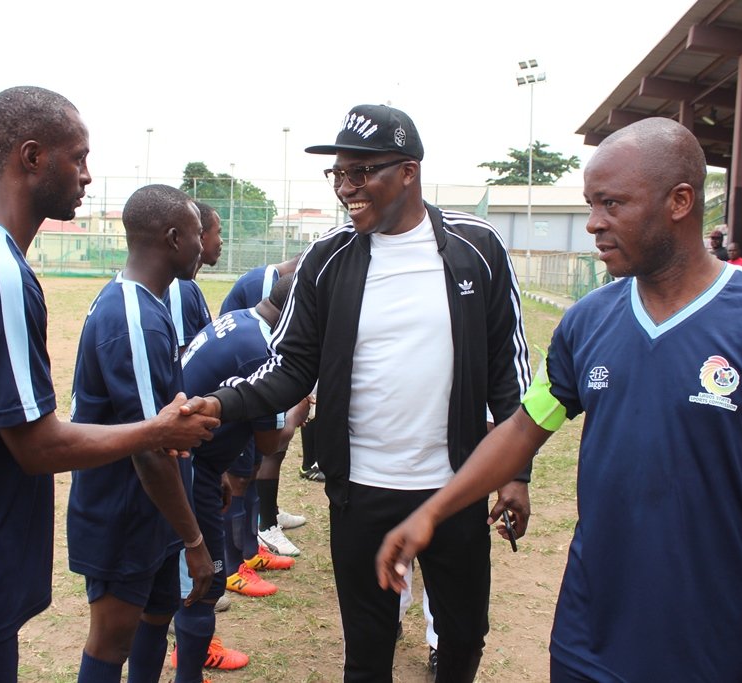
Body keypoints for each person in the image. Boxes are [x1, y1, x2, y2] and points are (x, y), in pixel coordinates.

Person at [376, 117, 742, 683]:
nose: (594, 224)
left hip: (709, 641)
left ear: (680, 202)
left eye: (612, 204)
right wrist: (434, 510)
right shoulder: (587, 321)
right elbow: (525, 428)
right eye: (591, 204)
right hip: (586, 634)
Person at [183, 103, 533, 682]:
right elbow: (290, 369)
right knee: (368, 648)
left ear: (409, 172)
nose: (347, 188)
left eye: (361, 172)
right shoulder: (328, 260)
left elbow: (507, 369)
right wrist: (220, 404)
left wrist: (516, 473)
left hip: (458, 487)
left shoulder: (478, 248)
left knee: (465, 634)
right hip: (361, 493)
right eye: (339, 174)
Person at [0, 87, 218, 683]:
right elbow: (37, 445)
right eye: (79, 158)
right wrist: (159, 430)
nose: (88, 177)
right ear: (31, 157)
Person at [66, 184, 215, 683]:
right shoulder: (133, 316)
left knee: (157, 615)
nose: (202, 246)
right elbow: (153, 449)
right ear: (173, 238)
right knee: (112, 641)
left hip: (153, 509)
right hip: (121, 511)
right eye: (197, 234)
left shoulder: (150, 305)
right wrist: (194, 539)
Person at [172, 275, 308, 683]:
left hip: (198, 465)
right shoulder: (261, 352)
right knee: (206, 579)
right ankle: (192, 661)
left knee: (187, 572)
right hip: (188, 466)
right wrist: (302, 403)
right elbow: (270, 444)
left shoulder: (242, 319)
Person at [219, 256, 307, 555]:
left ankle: (250, 546)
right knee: (241, 478)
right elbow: (270, 443)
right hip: (225, 423)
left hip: (231, 410)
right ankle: (237, 561)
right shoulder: (262, 348)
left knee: (248, 472)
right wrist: (297, 412)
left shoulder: (252, 323)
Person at [164, 202, 220, 355]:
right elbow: (183, 356)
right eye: (218, 232)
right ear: (201, 236)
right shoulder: (181, 288)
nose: (220, 241)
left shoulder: (188, 284)